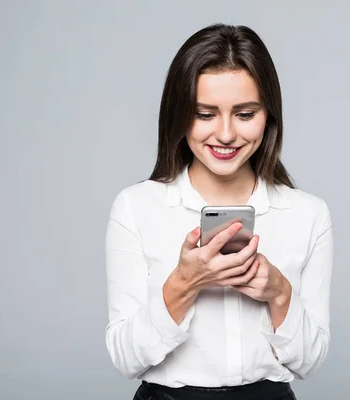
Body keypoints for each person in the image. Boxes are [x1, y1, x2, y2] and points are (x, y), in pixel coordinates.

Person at [104, 23, 334, 400]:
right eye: (205, 114)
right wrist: (183, 283)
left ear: (268, 116)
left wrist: (279, 293)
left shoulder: (307, 214)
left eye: (245, 114)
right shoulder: (136, 207)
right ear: (178, 115)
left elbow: (309, 363)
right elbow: (125, 359)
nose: (226, 135)